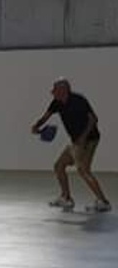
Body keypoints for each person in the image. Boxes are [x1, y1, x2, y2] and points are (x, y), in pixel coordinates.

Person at [31, 78, 111, 213]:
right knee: (59, 166)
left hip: (90, 139)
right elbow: (45, 117)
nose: (52, 92)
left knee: (83, 170)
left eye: (55, 90)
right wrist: (36, 126)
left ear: (63, 90)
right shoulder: (57, 103)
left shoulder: (78, 101)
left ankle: (103, 202)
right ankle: (66, 198)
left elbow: (93, 119)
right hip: (76, 142)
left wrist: (83, 138)